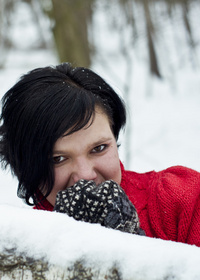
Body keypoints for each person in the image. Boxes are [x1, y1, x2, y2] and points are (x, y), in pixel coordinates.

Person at [0, 63, 200, 246]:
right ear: (25, 166)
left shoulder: (181, 201)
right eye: (58, 159)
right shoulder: (22, 241)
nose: (86, 175)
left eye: (98, 148)